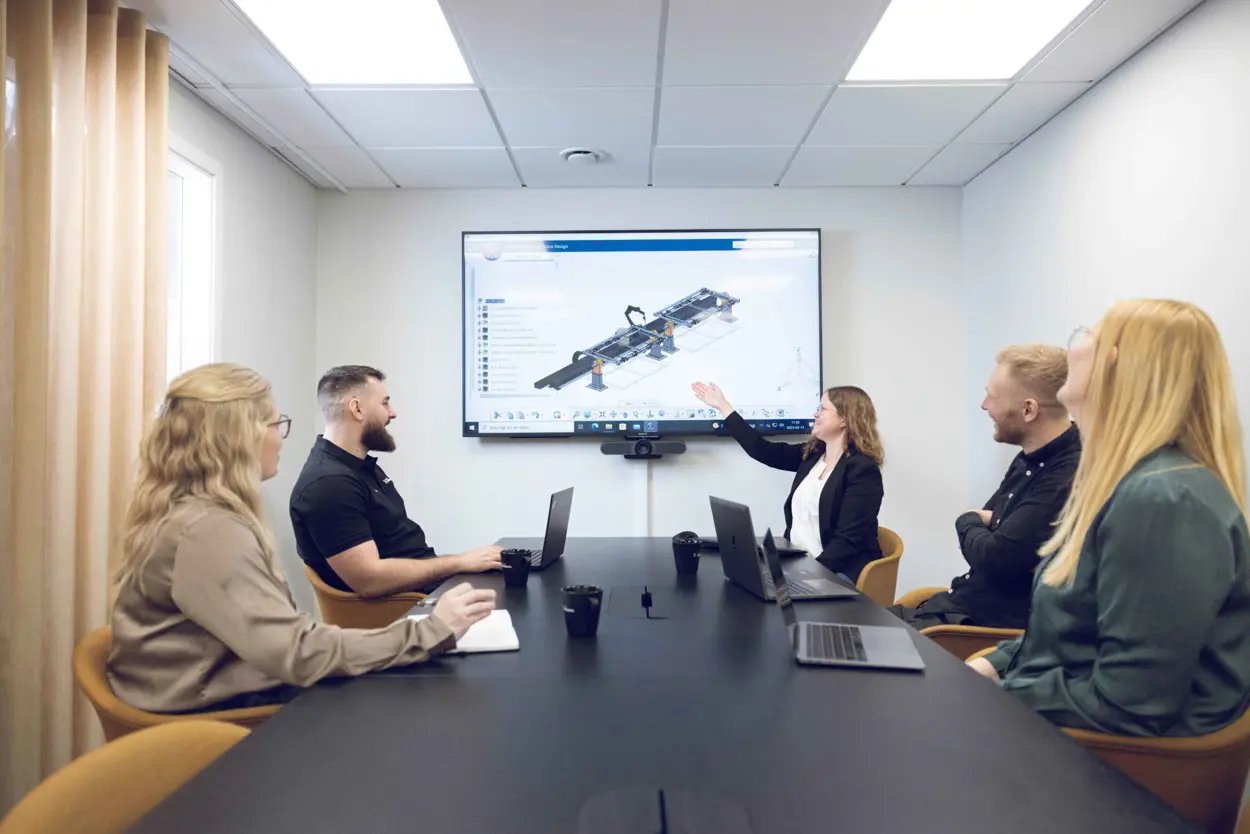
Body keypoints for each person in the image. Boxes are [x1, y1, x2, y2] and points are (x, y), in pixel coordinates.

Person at [108, 363, 496, 714]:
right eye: (276, 425)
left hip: (221, 690)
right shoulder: (208, 530)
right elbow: (296, 652)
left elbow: (285, 643)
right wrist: (431, 631)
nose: (281, 439)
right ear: (241, 436)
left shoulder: (195, 514)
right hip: (215, 717)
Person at [969, 300, 1250, 737]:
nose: (1075, 343)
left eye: (1089, 333)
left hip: (1126, 761)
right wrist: (994, 664)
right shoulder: (1133, 482)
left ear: (1115, 363)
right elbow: (1072, 631)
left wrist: (999, 693)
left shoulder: (1163, 499)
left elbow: (1131, 701)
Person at [889, 344, 1079, 630]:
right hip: (955, 605)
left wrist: (966, 519)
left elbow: (993, 555)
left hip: (975, 632)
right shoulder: (1028, 458)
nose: (984, 405)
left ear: (1028, 410)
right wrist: (987, 526)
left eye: (992, 396)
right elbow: (990, 528)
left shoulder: (1066, 475)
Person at [289, 365, 502, 597]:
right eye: (385, 403)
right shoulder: (329, 484)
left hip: (426, 590)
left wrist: (463, 564)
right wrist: (459, 562)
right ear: (357, 409)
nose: (392, 413)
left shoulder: (358, 468)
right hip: (405, 607)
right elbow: (370, 580)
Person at [691, 382, 884, 583]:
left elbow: (847, 542)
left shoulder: (863, 471)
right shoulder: (813, 455)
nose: (816, 414)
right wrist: (723, 406)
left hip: (837, 571)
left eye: (822, 409)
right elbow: (762, 450)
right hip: (802, 565)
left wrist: (805, 575)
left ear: (844, 418)